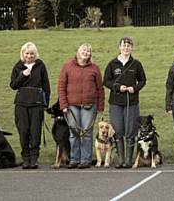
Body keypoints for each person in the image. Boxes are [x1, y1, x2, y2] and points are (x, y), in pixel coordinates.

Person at [58, 43, 105, 169]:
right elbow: (61, 87)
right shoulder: (67, 66)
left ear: (90, 54)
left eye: (88, 51)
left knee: (86, 132)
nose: (86, 53)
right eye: (84, 50)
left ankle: (86, 159)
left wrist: (100, 107)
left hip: (89, 105)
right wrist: (63, 105)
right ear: (78, 51)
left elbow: (100, 88)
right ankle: (74, 158)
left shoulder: (94, 68)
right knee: (74, 132)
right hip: (72, 105)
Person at [103, 37, 146, 169]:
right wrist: (117, 87)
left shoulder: (136, 64)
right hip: (116, 102)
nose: (126, 48)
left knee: (130, 130)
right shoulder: (112, 64)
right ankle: (120, 159)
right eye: (124, 45)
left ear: (131, 48)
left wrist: (135, 88)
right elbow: (106, 81)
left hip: (131, 102)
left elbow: (143, 80)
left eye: (128, 46)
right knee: (118, 129)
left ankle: (128, 160)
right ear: (119, 47)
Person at [9, 42, 51, 169]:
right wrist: (22, 75)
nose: (29, 56)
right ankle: (25, 158)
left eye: (31, 54)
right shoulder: (18, 67)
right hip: (21, 103)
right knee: (23, 131)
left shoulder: (40, 66)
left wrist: (45, 103)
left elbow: (46, 86)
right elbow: (13, 85)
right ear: (23, 54)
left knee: (35, 132)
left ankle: (34, 158)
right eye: (27, 53)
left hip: (36, 103)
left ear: (35, 54)